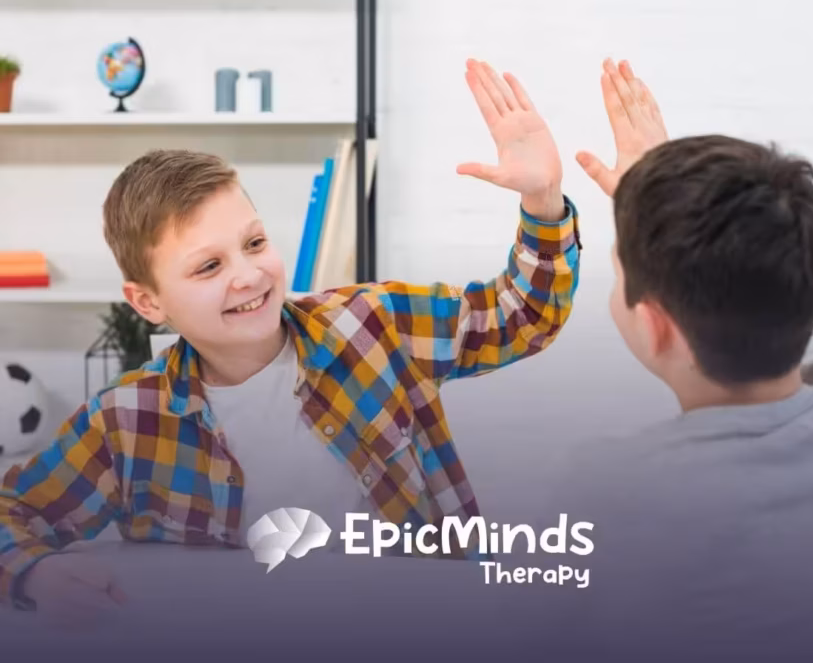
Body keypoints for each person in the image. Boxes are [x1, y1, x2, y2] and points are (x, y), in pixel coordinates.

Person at [0, 59, 581, 626]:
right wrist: (36, 575)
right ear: (148, 302)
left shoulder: (374, 324)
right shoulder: (126, 421)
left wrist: (543, 201)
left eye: (254, 244)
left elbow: (523, 315)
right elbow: (13, 511)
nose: (248, 276)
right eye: (209, 266)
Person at [542, 59, 813, 661]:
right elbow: (793, 315)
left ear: (655, 327)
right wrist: (657, 203)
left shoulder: (603, 495)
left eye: (618, 270)